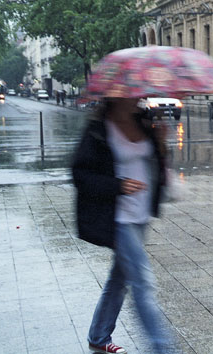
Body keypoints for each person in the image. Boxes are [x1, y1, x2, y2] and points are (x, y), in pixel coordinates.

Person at [72, 97, 174, 354]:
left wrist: (161, 144)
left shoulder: (144, 121)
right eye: (132, 94)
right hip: (117, 217)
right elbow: (80, 174)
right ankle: (164, 348)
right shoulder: (98, 129)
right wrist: (117, 185)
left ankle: (98, 335)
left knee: (119, 280)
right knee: (142, 282)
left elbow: (155, 166)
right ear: (115, 96)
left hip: (141, 214)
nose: (138, 98)